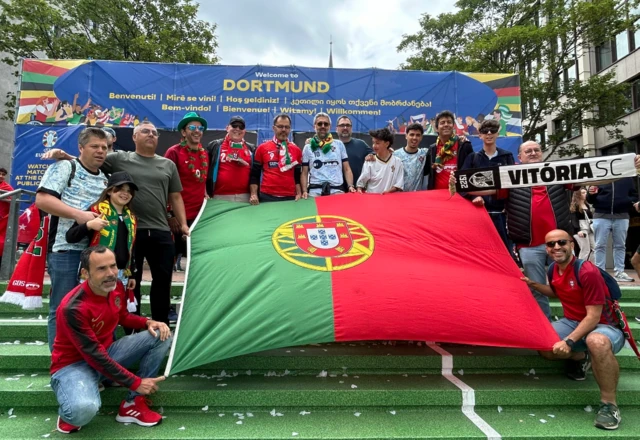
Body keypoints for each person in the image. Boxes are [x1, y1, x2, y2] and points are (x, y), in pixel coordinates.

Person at [43, 122, 189, 326]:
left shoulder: (167, 164)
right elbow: (87, 161)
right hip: (118, 232)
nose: (151, 135)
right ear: (134, 137)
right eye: (145, 131)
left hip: (157, 229)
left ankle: (160, 323)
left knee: (162, 280)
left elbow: (175, 196)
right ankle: (132, 327)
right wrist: (65, 156)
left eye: (155, 132)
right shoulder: (120, 158)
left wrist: (183, 224)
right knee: (128, 283)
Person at [51, 246, 171, 433]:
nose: (111, 274)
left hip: (106, 354)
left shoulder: (116, 288)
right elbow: (94, 356)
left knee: (161, 334)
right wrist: (136, 382)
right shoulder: (73, 308)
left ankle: (133, 403)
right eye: (101, 269)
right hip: (73, 366)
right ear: (85, 273)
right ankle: (71, 410)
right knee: (82, 410)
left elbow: (121, 315)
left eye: (113, 266)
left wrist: (148, 322)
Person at [521, 229, 625, 430]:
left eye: (561, 242)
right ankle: (581, 357)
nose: (556, 247)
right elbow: (555, 292)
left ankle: (609, 405)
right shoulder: (553, 269)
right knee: (543, 343)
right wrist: (532, 284)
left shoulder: (587, 271)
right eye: (551, 244)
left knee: (596, 341)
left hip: (604, 326)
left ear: (572, 245)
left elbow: (593, 316)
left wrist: (568, 341)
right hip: (573, 322)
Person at [36, 127, 109, 350]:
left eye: (104, 147)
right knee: (61, 306)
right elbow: (42, 200)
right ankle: (60, 364)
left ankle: (85, 361)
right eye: (94, 146)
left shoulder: (106, 179)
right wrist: (79, 215)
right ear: (80, 148)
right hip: (64, 249)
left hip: (94, 253)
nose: (100, 151)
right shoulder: (66, 167)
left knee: (89, 308)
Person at [65, 171, 138, 298]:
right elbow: (70, 237)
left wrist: (132, 274)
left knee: (116, 311)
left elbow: (132, 248)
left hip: (121, 273)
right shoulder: (95, 211)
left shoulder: (131, 217)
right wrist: (89, 225)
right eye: (120, 189)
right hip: (96, 272)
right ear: (109, 191)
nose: (125, 193)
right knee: (92, 308)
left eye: (129, 190)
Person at [460, 119, 515, 253]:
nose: (489, 134)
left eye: (493, 131)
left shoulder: (507, 157)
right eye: (485, 131)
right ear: (480, 135)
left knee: (505, 252)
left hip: (502, 215)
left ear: (498, 134)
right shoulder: (473, 158)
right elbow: (461, 184)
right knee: (481, 252)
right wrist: (473, 197)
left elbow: (514, 185)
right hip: (479, 215)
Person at [164, 112, 209, 274]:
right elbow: (165, 185)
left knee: (196, 264)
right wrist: (170, 214)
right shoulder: (173, 153)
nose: (197, 131)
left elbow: (201, 181)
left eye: (200, 128)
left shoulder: (204, 154)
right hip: (178, 216)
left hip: (198, 218)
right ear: (183, 132)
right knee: (169, 263)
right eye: (192, 127)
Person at [587, 179, 639, 282]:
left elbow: (634, 195)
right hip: (601, 215)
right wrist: (590, 194)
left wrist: (627, 201)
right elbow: (590, 200)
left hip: (621, 215)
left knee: (620, 245)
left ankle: (619, 272)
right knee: (600, 245)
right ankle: (600, 271)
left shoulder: (627, 178)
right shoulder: (600, 176)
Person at [301, 113, 356, 198]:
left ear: (330, 126)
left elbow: (346, 168)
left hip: (337, 191)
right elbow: (304, 172)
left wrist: (350, 186)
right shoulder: (308, 147)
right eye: (319, 124)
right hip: (315, 192)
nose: (323, 126)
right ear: (314, 126)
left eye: (326, 124)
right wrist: (304, 191)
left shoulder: (339, 144)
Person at [250, 114, 302, 204]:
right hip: (267, 196)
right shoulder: (262, 148)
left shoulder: (296, 150)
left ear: (290, 129)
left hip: (290, 197)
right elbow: (255, 175)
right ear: (274, 128)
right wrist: (254, 194)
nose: (283, 130)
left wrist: (299, 193)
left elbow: (297, 176)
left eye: (287, 127)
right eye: (280, 126)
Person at [205, 116, 255, 202]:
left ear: (244, 131)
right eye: (234, 125)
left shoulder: (251, 148)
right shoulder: (215, 145)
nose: (237, 129)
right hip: (219, 196)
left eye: (241, 127)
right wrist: (205, 192)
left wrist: (254, 194)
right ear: (227, 128)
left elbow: (256, 174)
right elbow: (205, 170)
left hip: (245, 197)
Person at [425, 110, 473, 190]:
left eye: (449, 122)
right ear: (436, 128)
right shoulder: (432, 149)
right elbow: (426, 171)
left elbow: (472, 170)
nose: (446, 125)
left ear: (453, 126)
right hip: (436, 196)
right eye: (442, 122)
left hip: (460, 195)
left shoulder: (464, 146)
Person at [356, 128, 404, 194]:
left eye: (377, 143)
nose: (374, 146)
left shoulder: (398, 162)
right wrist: (359, 190)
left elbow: (399, 184)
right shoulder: (369, 161)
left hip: (391, 200)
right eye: (373, 143)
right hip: (373, 200)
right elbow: (361, 183)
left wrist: (389, 192)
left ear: (387, 144)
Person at [335, 115, 373, 189]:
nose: (345, 128)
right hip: (336, 191)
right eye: (342, 125)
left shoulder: (361, 144)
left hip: (357, 190)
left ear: (351, 128)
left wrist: (372, 155)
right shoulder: (331, 145)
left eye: (348, 125)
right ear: (337, 128)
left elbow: (376, 155)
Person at [392, 123, 429, 192]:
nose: (414, 138)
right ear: (406, 136)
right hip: (399, 196)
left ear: (421, 137)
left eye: (418, 135)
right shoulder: (395, 155)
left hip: (416, 198)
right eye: (412, 134)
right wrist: (371, 156)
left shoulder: (425, 153)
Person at [571, 187, 595, 262]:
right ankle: (580, 267)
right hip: (581, 229)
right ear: (578, 195)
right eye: (583, 193)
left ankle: (591, 265)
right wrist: (578, 230)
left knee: (595, 248)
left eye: (585, 192)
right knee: (585, 249)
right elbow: (574, 219)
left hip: (589, 228)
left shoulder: (587, 205)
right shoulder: (575, 206)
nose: (585, 194)